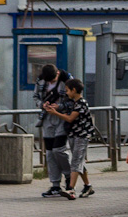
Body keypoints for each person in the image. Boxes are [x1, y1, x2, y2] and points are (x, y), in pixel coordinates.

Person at [43, 78, 95, 199]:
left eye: (67, 90)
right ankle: (88, 186)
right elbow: (67, 112)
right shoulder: (74, 103)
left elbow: (70, 118)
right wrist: (56, 108)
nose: (66, 93)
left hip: (82, 136)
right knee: (79, 162)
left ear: (74, 90)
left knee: (76, 162)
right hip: (73, 135)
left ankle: (71, 189)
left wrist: (54, 113)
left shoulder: (81, 103)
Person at [35, 64, 71, 197]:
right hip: (47, 119)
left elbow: (75, 99)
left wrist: (60, 106)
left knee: (59, 150)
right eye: (48, 81)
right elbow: (36, 97)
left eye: (52, 80)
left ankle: (69, 176)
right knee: (50, 153)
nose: (50, 83)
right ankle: (55, 184)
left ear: (57, 74)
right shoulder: (41, 81)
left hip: (62, 119)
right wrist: (42, 105)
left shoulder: (67, 80)